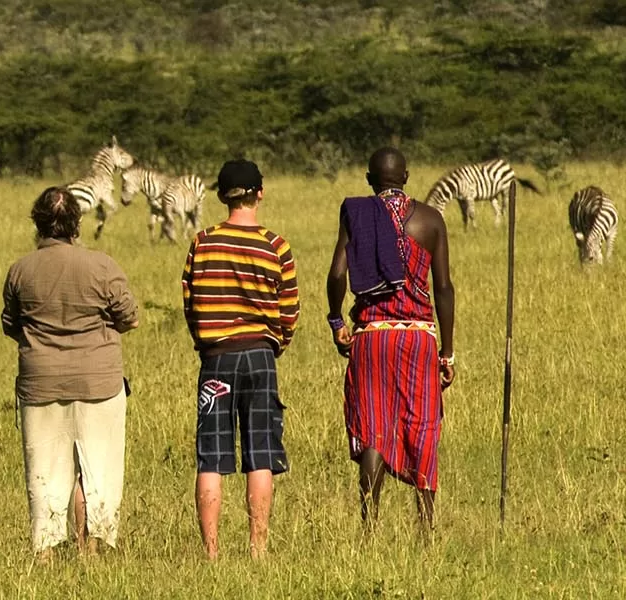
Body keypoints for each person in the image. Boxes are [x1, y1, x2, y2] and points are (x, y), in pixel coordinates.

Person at [1, 187, 140, 562]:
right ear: (77, 224)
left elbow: (11, 324)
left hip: (40, 383)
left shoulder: (20, 270)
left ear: (38, 223)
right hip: (100, 383)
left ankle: (45, 553)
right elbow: (130, 317)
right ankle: (89, 548)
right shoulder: (102, 265)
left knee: (44, 471)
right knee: (96, 468)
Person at [326, 147, 456, 539]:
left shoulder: (357, 214)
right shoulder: (432, 220)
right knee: (422, 424)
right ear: (408, 177)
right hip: (418, 339)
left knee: (372, 427)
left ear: (369, 180)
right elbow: (444, 288)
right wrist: (446, 351)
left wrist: (336, 321)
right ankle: (427, 527)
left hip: (372, 337)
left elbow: (336, 274)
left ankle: (369, 526)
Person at [181, 159, 299, 560]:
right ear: (259, 193)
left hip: (216, 358)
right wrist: (275, 343)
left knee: (211, 455)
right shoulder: (276, 245)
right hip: (261, 355)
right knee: (261, 453)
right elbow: (289, 311)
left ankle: (212, 553)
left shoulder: (202, 242)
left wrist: (207, 342)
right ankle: (258, 548)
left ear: (220, 196)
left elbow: (190, 303)